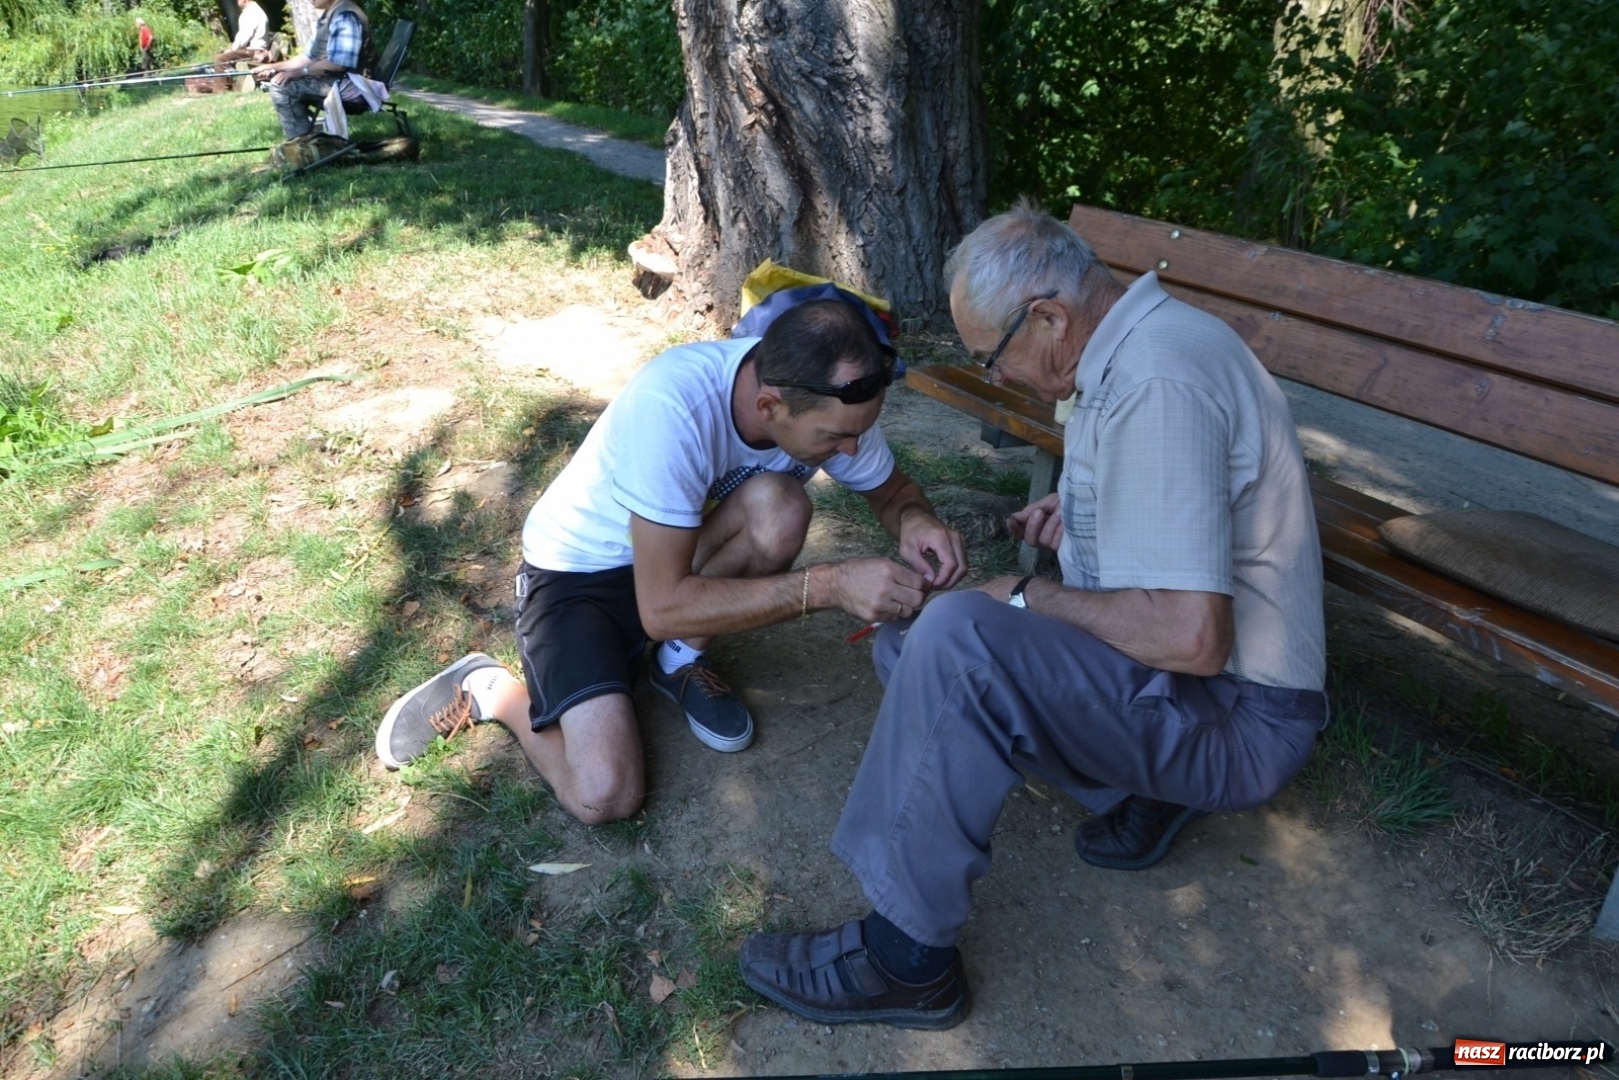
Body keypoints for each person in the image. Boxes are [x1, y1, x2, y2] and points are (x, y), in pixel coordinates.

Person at [737, 201, 1328, 1030]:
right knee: (913, 638)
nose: (998, 377)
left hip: (1237, 720)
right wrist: (1085, 516)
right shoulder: (1136, 350)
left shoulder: (1156, 383)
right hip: (1199, 692)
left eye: (992, 356)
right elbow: (1188, 517)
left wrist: (1023, 592)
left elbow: (1191, 638)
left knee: (956, 638)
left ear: (1048, 318)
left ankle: (907, 961)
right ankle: (1144, 786)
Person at [373, 299, 968, 826]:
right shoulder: (675, 403)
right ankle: (491, 689)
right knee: (604, 795)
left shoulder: (830, 400)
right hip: (578, 577)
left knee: (780, 505)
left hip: (672, 566)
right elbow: (661, 606)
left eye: (858, 434)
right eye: (835, 439)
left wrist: (915, 520)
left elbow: (892, 491)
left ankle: (678, 661)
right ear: (768, 405)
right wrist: (831, 585)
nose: (851, 450)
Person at [252, 0, 376, 139]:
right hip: (337, 79)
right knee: (280, 79)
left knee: (281, 87)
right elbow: (307, 57)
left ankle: (300, 144)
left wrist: (298, 73)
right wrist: (273, 67)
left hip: (355, 86)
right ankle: (308, 141)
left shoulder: (346, 16)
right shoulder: (329, 15)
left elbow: (338, 64)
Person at [215, 0, 271, 69]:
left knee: (220, 60)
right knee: (223, 56)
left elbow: (243, 38)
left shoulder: (250, 13)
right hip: (257, 50)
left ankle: (223, 76)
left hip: (254, 52)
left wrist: (231, 49)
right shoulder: (255, 9)